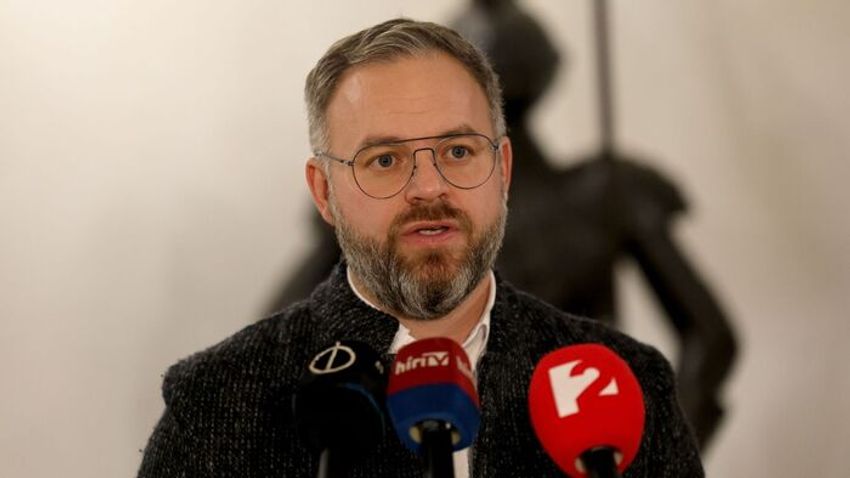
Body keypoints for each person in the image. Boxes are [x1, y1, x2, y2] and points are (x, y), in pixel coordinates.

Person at [137, 18, 703, 477]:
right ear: (325, 192)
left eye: (458, 152)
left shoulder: (631, 385)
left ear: (502, 171)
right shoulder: (218, 401)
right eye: (385, 160)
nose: (429, 187)